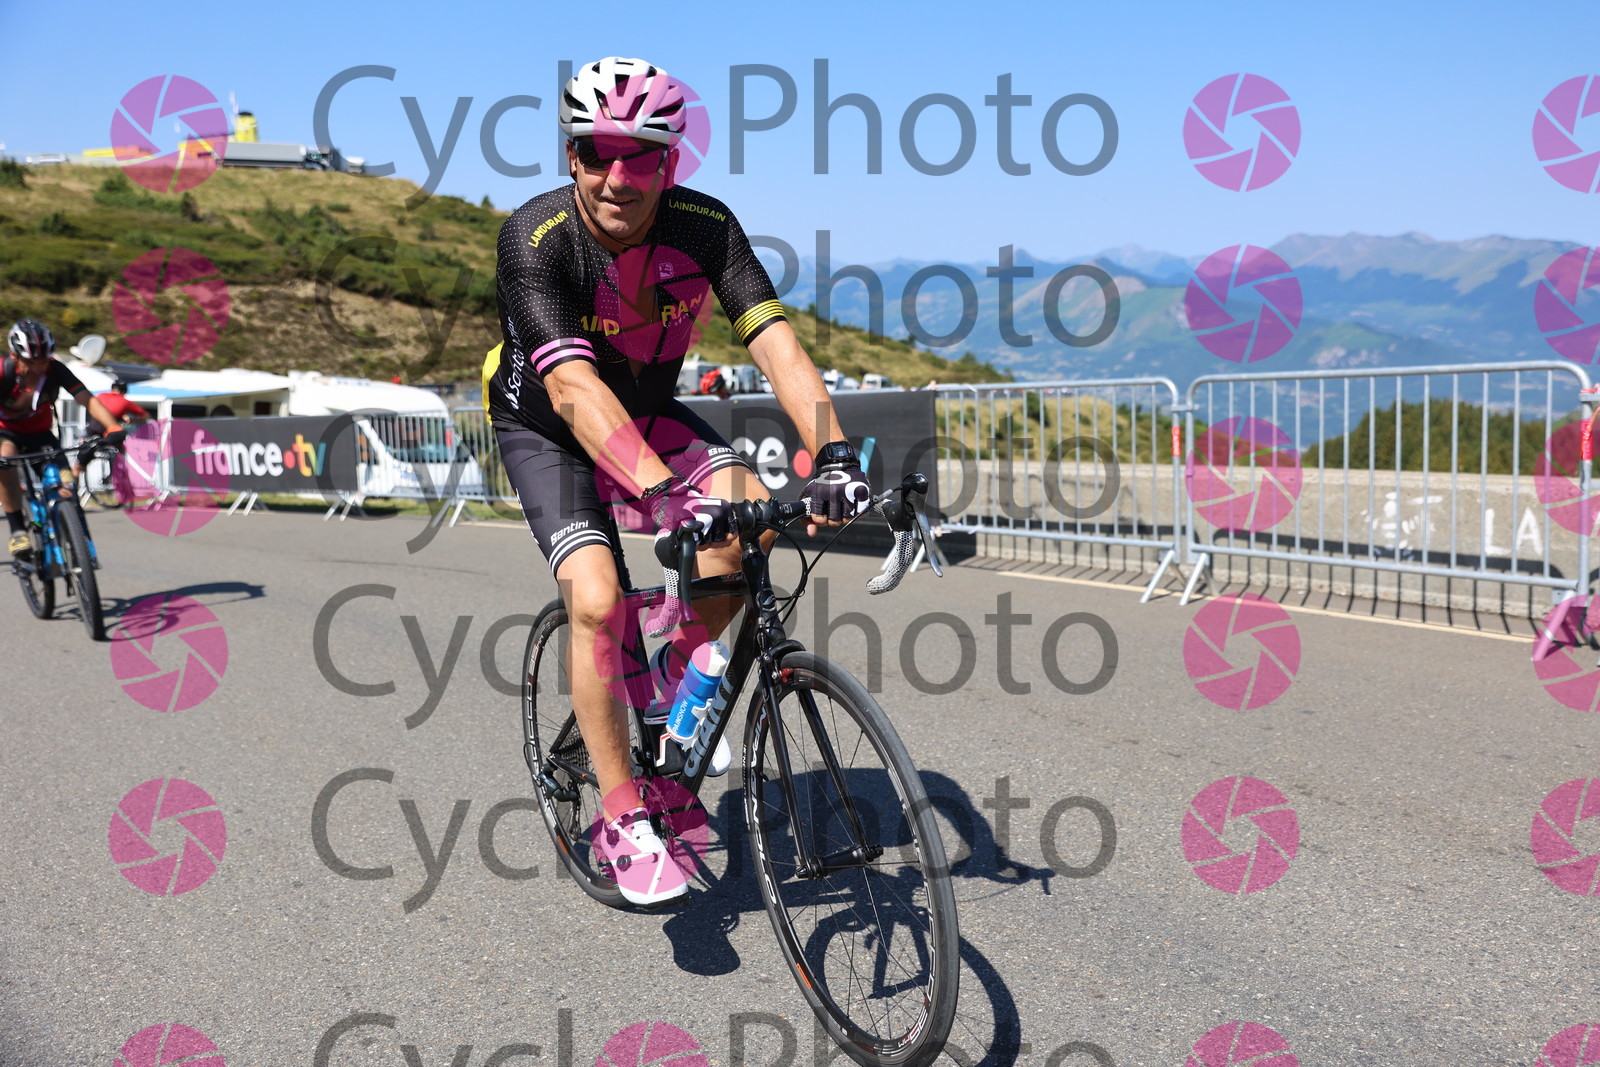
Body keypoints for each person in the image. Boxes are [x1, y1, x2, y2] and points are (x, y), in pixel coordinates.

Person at [486, 57, 872, 904]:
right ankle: (621, 812)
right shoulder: (534, 238)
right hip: (549, 426)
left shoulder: (706, 227)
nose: (619, 178)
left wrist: (837, 456)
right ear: (572, 154)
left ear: (671, 160)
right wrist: (663, 494)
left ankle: (671, 671)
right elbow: (572, 388)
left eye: (643, 157)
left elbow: (775, 343)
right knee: (596, 598)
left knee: (746, 521)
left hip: (649, 414)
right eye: (598, 152)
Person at [0, 320, 126, 557]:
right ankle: (18, 531)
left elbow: (87, 399)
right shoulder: (2, 372)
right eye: (30, 363)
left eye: (43, 361)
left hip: (41, 435)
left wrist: (112, 427)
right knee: (5, 458)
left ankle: (77, 540)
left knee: (67, 484)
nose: (38, 369)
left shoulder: (55, 369)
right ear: (14, 356)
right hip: (7, 433)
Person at [73, 378, 149, 481]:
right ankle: (121, 476)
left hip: (91, 433)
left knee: (78, 467)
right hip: (109, 436)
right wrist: (131, 420)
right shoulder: (125, 402)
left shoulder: (100, 396)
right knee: (120, 451)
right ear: (124, 392)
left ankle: (73, 488)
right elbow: (146, 416)